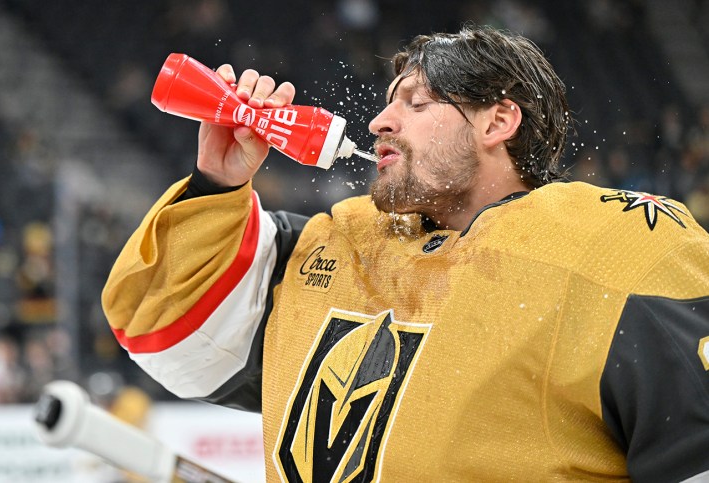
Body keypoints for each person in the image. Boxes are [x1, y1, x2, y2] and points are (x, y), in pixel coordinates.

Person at [102, 25, 709, 482]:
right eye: (389, 102)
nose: (378, 122)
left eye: (417, 104)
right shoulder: (337, 243)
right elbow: (164, 331)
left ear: (499, 121)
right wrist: (218, 183)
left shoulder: (613, 249)